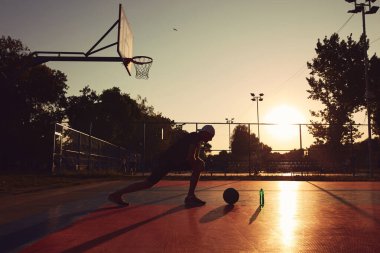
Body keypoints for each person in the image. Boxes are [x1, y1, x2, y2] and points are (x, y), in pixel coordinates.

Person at [108, 125, 215, 207]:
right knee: (148, 183)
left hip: (171, 161)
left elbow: (194, 157)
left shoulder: (196, 138)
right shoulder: (195, 138)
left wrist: (198, 164)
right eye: (210, 137)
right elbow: (190, 158)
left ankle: (190, 196)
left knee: (198, 165)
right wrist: (198, 166)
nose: (210, 139)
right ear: (205, 133)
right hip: (167, 162)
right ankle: (190, 197)